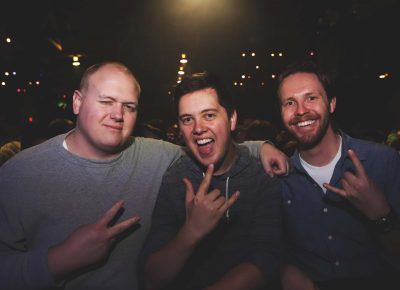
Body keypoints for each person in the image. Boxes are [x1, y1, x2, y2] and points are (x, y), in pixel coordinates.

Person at [0, 62, 288, 290]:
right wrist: (58, 260)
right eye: (106, 101)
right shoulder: (19, 174)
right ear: (77, 102)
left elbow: (211, 147)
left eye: (129, 106)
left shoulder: (157, 157)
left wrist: (261, 146)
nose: (117, 114)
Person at [140, 72, 284, 290]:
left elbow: (268, 259)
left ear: (232, 119)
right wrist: (191, 233)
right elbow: (151, 279)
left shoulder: (262, 175)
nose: (198, 128)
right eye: (188, 119)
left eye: (208, 115)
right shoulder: (176, 178)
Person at [276, 60, 400, 289]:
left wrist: (381, 215)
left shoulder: (383, 162)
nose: (301, 111)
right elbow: (270, 247)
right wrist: (285, 270)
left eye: (311, 98)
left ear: (331, 103)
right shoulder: (279, 178)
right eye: (290, 102)